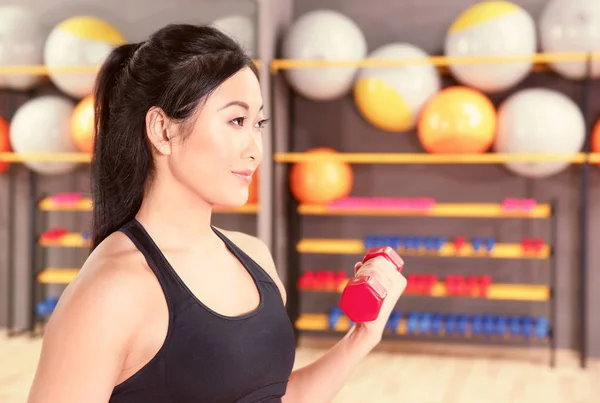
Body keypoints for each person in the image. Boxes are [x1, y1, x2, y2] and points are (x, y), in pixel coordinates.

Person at [27, 24, 407, 403]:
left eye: (258, 123)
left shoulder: (255, 258)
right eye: (237, 121)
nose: (255, 149)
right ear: (162, 130)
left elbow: (274, 397)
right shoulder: (112, 290)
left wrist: (362, 336)